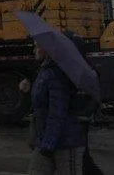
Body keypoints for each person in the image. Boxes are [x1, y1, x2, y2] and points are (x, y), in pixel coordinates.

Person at [26, 42, 87, 175]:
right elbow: (40, 106)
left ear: (48, 50)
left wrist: (48, 143)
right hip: (46, 140)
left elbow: (57, 112)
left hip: (65, 142)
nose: (34, 50)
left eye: (37, 46)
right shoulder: (44, 71)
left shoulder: (57, 74)